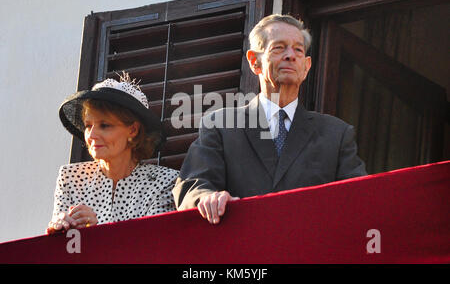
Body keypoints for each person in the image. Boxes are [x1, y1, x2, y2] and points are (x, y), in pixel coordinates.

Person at [172, 14, 367, 224]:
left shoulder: (336, 134)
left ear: (306, 66)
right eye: (279, 48)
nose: (290, 56)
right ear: (254, 62)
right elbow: (192, 186)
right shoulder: (220, 125)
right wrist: (208, 199)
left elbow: (361, 199)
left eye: (298, 50)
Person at [46, 74, 178, 234]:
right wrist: (58, 234)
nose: (91, 135)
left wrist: (95, 234)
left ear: (133, 130)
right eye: (88, 125)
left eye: (104, 125)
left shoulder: (164, 183)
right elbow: (64, 255)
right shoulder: (70, 177)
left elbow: (152, 248)